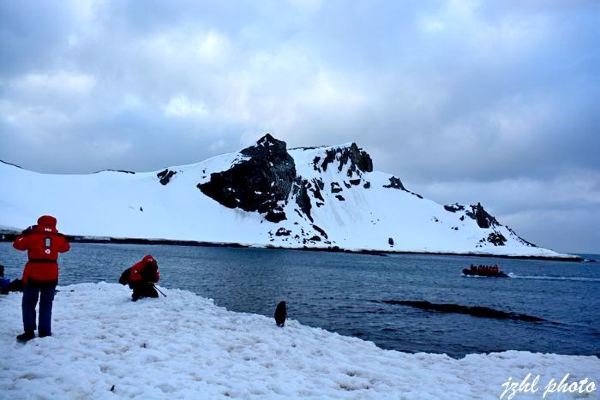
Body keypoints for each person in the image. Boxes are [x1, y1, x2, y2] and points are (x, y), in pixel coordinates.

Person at [13, 215, 70, 342]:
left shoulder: (32, 236)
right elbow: (66, 247)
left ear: (39, 223)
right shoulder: (58, 238)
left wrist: (23, 233)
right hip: (51, 275)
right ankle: (45, 332)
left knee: (28, 303)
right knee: (46, 304)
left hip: (33, 274)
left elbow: (17, 245)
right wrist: (60, 236)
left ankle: (29, 332)